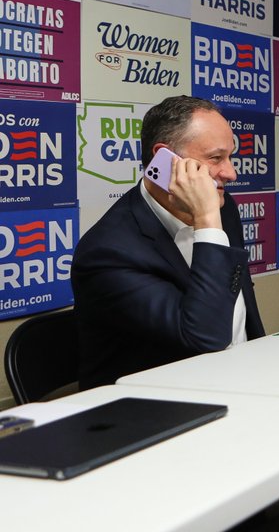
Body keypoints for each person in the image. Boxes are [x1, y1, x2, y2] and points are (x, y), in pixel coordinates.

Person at [72, 95, 265, 389]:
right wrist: (207, 221)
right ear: (165, 160)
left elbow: (239, 310)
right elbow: (206, 338)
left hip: (241, 382)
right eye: (215, 158)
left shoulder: (223, 206)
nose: (231, 172)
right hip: (156, 411)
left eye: (230, 157)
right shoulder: (107, 253)